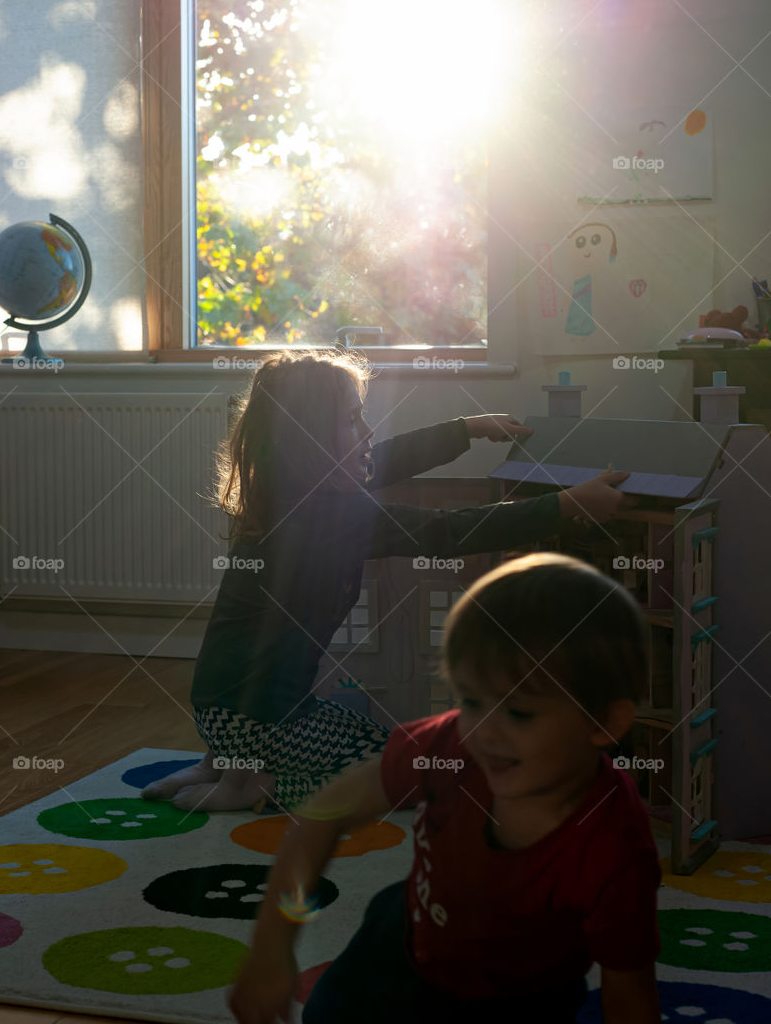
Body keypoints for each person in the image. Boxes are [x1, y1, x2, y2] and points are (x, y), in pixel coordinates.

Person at [229, 553, 663, 1024]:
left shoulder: (616, 847)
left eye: (519, 711)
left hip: (515, 999)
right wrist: (273, 947)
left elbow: (631, 1009)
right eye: (473, 699)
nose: (484, 731)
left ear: (605, 723)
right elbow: (323, 813)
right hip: (410, 931)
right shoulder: (450, 747)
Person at [142, 349, 634, 815]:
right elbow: (446, 532)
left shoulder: (284, 493)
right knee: (408, 771)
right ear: (310, 438)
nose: (366, 431)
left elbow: (381, 457)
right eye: (352, 419)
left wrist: (465, 430)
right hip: (268, 720)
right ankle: (254, 783)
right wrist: (566, 506)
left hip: (217, 708)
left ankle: (226, 765)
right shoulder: (333, 515)